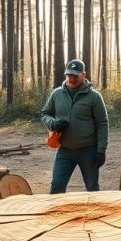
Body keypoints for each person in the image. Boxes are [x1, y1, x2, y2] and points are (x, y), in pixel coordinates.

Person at [40, 59, 109, 193]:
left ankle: (95, 213)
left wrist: (101, 150)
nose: (71, 79)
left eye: (75, 76)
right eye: (68, 75)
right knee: (56, 187)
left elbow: (102, 123)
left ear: (83, 75)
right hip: (64, 150)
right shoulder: (57, 94)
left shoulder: (94, 97)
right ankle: (56, 213)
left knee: (92, 189)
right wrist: (53, 124)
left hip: (88, 150)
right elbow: (45, 114)